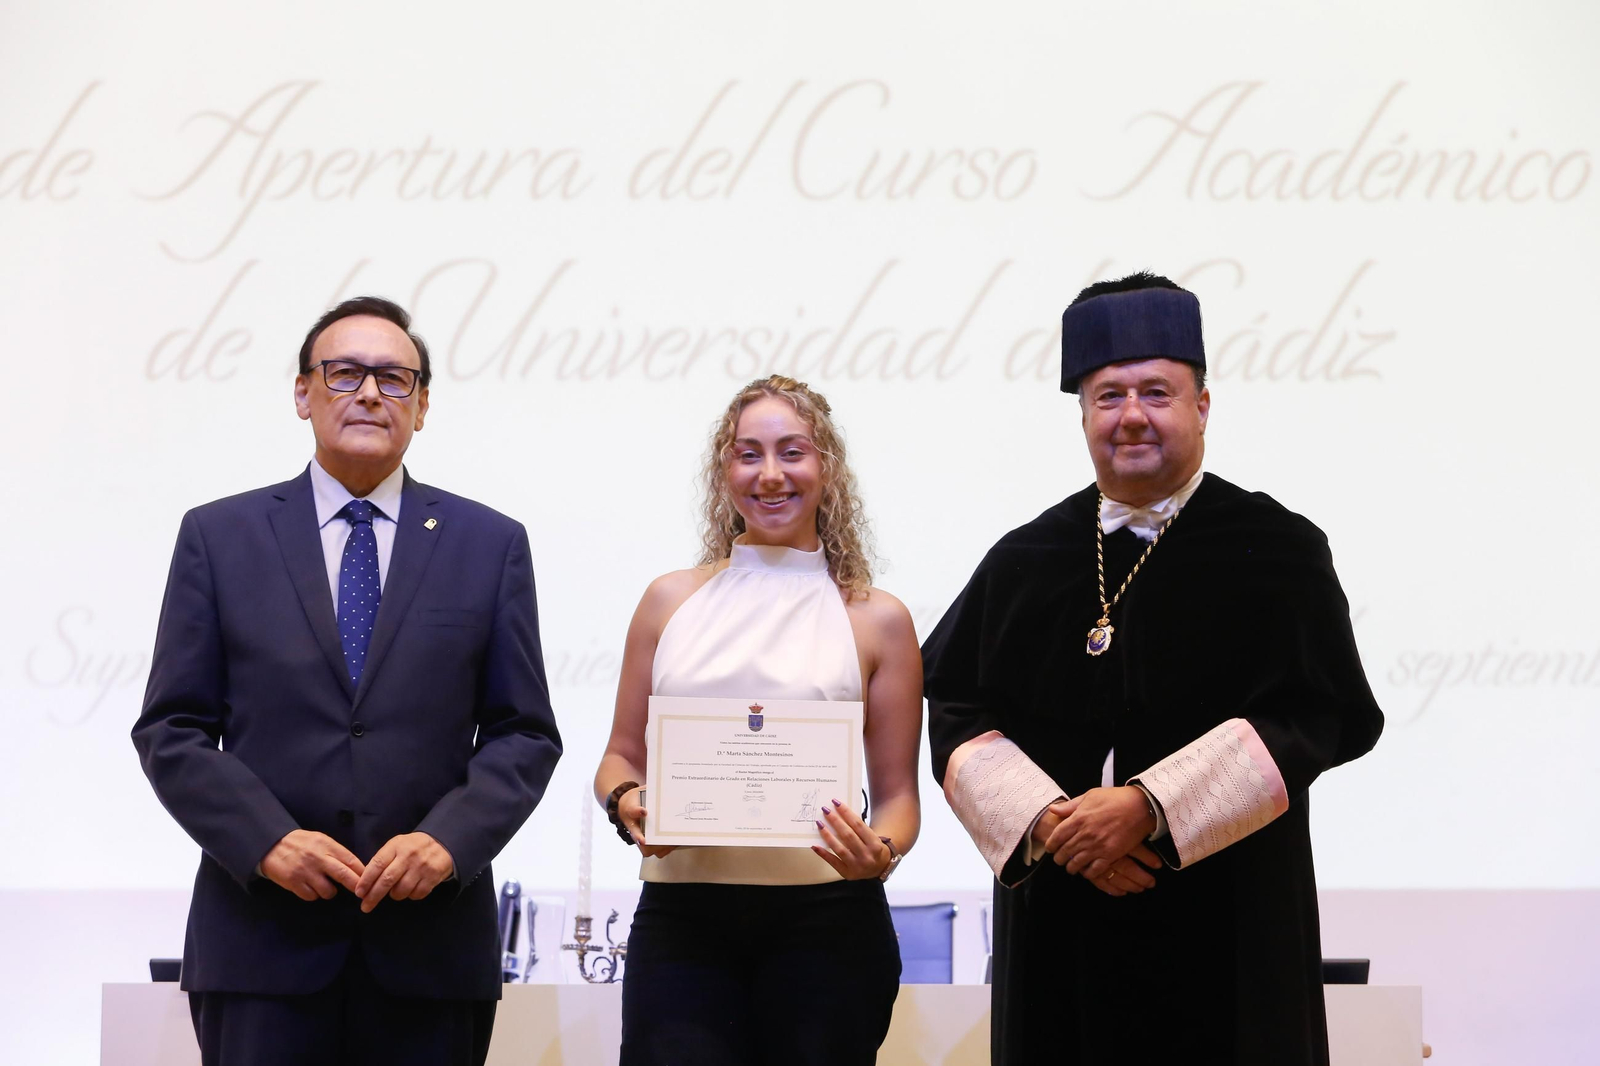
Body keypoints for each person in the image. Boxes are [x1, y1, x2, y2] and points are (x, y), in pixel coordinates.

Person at [921, 273, 1383, 1065]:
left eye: (1156, 392)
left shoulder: (1277, 550)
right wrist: (1051, 824)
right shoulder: (1024, 559)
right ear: (1082, 413)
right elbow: (957, 708)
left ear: (1203, 406)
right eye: (1108, 396)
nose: (1131, 415)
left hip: (1228, 925)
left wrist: (1148, 808)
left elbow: (1320, 714)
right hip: (1064, 926)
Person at [132, 296, 562, 1066]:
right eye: (345, 373)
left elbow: (522, 733)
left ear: (422, 405)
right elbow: (172, 728)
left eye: (395, 379)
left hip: (429, 954)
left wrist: (446, 842)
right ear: (303, 393)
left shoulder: (489, 544)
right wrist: (265, 842)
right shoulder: (220, 536)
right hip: (260, 947)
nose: (370, 392)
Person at [594, 375, 922, 1066]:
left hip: (829, 926)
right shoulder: (667, 601)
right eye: (749, 454)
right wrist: (627, 802)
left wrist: (882, 853)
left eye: (792, 452)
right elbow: (619, 758)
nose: (770, 474)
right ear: (725, 471)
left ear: (826, 468)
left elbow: (898, 800)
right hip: (684, 922)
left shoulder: (878, 618)